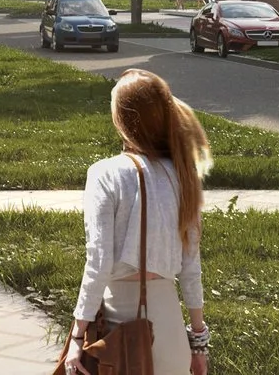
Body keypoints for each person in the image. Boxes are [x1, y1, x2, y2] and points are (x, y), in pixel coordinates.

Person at [66, 70, 212, 375]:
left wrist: (78, 335)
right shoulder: (183, 175)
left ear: (121, 119)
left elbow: (99, 263)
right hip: (170, 332)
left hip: (121, 331)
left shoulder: (105, 173)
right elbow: (191, 268)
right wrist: (198, 344)